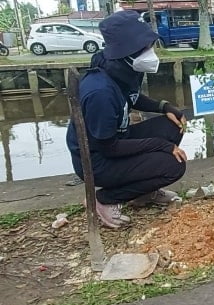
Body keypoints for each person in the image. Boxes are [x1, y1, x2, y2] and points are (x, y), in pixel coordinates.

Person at [66, 10, 187, 228]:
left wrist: (164, 107)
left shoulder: (123, 67)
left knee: (173, 125)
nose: (151, 52)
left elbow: (132, 97)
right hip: (98, 161)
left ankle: (143, 192)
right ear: (125, 50)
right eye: (145, 47)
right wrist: (163, 146)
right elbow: (108, 148)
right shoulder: (99, 92)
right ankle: (105, 199)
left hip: (117, 139)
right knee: (173, 165)